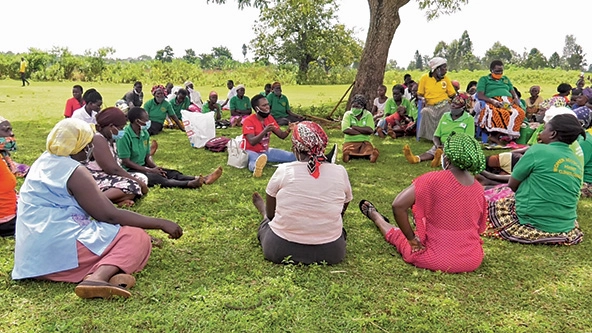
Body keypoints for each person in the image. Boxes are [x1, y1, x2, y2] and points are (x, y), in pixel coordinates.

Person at [11, 118, 184, 299]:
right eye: (89, 145)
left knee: (118, 235)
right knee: (135, 237)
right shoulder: (74, 171)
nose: (91, 150)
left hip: (32, 259)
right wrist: (160, 223)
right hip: (60, 251)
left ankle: (110, 275)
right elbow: (109, 215)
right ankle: (97, 278)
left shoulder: (43, 161)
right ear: (82, 147)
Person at [360, 133, 487, 273]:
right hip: (472, 259)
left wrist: (412, 239)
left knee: (398, 235)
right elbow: (478, 227)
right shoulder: (479, 188)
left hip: (435, 258)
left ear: (447, 156)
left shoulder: (433, 179)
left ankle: (376, 217)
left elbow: (398, 205)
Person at [252, 121, 352, 264]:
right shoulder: (340, 171)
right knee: (340, 229)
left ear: (295, 148)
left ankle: (262, 212)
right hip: (331, 252)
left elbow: (272, 215)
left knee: (267, 221)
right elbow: (341, 212)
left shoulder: (284, 170)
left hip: (280, 249)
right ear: (323, 147)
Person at [484, 114, 585, 245]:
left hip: (532, 221)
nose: (541, 132)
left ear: (552, 134)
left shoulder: (538, 150)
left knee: (490, 203)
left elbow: (512, 185)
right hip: (565, 226)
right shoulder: (575, 160)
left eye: (544, 129)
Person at [117, 107, 222, 188]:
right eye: (146, 119)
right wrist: (149, 170)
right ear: (137, 121)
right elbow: (126, 162)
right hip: (130, 170)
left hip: (143, 165)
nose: (149, 121)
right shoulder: (124, 136)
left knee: (170, 173)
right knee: (158, 179)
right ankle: (189, 184)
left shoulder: (144, 133)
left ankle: (203, 179)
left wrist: (155, 167)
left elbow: (147, 156)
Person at [86, 107, 148, 207]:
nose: (122, 131)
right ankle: (95, 201)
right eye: (120, 128)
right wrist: (139, 183)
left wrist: (139, 181)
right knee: (133, 184)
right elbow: (112, 169)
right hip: (96, 179)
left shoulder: (109, 139)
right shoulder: (98, 138)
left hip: (108, 177)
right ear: (111, 126)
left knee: (141, 178)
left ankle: (115, 200)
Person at [404, 94, 473, 166]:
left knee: (449, 152)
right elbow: (436, 135)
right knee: (432, 151)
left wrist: (449, 145)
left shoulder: (469, 119)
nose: (453, 106)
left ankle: (439, 160)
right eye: (452, 104)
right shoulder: (445, 116)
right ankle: (416, 158)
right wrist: (437, 145)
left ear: (463, 107)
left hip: (458, 146)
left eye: (456, 105)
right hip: (441, 145)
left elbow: (468, 139)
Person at [243, 94, 296, 178]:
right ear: (257, 108)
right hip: (251, 150)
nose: (268, 107)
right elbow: (252, 142)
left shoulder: (269, 118)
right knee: (254, 160)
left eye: (268, 104)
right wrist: (265, 131)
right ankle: (256, 169)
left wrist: (288, 129)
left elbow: (282, 136)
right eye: (264, 105)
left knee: (291, 156)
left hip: (265, 151)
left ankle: (314, 158)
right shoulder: (249, 121)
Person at [475, 60, 526, 145]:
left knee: (519, 112)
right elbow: (480, 95)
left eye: (501, 71)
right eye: (497, 71)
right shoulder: (484, 79)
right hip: (492, 100)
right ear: (491, 70)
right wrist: (493, 101)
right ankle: (494, 136)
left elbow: (512, 91)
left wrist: (516, 98)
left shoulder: (505, 79)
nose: (499, 73)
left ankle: (508, 136)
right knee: (496, 112)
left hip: (508, 101)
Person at [417, 57, 457, 141]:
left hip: (444, 104)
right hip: (430, 105)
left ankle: (444, 136)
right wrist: (422, 98)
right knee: (425, 112)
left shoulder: (445, 79)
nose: (446, 70)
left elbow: (452, 94)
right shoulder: (425, 78)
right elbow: (419, 94)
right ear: (437, 69)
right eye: (444, 67)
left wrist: (458, 99)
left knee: (447, 112)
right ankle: (432, 138)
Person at [0, 116, 27, 237]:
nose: (11, 133)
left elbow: (17, 169)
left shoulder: (4, 158)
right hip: (6, 222)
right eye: (6, 130)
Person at [341, 94, 379, 163]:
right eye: (353, 106)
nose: (355, 109)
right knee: (349, 149)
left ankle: (371, 156)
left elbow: (370, 130)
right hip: (350, 141)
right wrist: (363, 131)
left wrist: (354, 127)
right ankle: (348, 155)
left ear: (363, 107)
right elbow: (345, 129)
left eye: (357, 107)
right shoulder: (348, 114)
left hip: (364, 142)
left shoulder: (368, 115)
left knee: (368, 149)